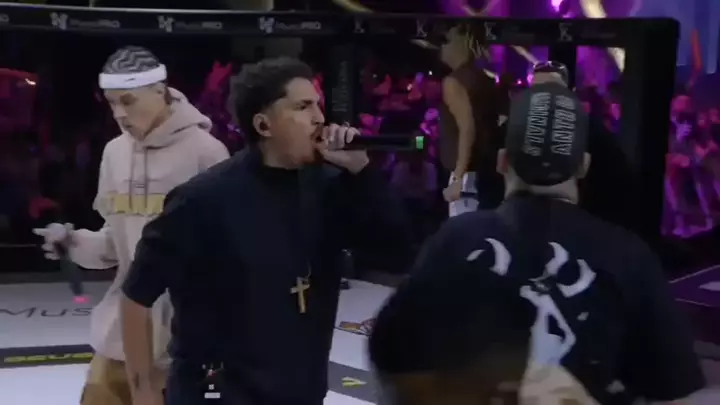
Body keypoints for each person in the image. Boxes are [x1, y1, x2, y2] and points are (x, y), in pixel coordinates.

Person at [369, 82, 704, 405]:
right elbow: (674, 390)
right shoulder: (630, 257)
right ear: (583, 166)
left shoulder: (453, 240)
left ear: (502, 161)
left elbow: (400, 362)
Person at [120, 57, 410, 405]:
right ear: (263, 124)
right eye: (303, 106)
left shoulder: (329, 188)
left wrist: (362, 174)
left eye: (318, 105)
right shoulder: (202, 199)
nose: (319, 118)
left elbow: (397, 254)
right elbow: (136, 294)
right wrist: (142, 389)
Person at [32, 46, 229, 405]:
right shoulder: (114, 153)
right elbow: (114, 243)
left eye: (128, 100)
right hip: (120, 332)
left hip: (182, 341)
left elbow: (225, 253)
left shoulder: (207, 152)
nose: (119, 113)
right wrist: (72, 242)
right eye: (111, 102)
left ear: (160, 91)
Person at [437, 24, 503, 215]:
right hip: (486, 171)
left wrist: (458, 176)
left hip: (466, 174)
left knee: (464, 228)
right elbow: (501, 119)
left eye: (447, 41)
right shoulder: (485, 79)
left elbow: (467, 128)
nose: (442, 46)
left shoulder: (454, 81)